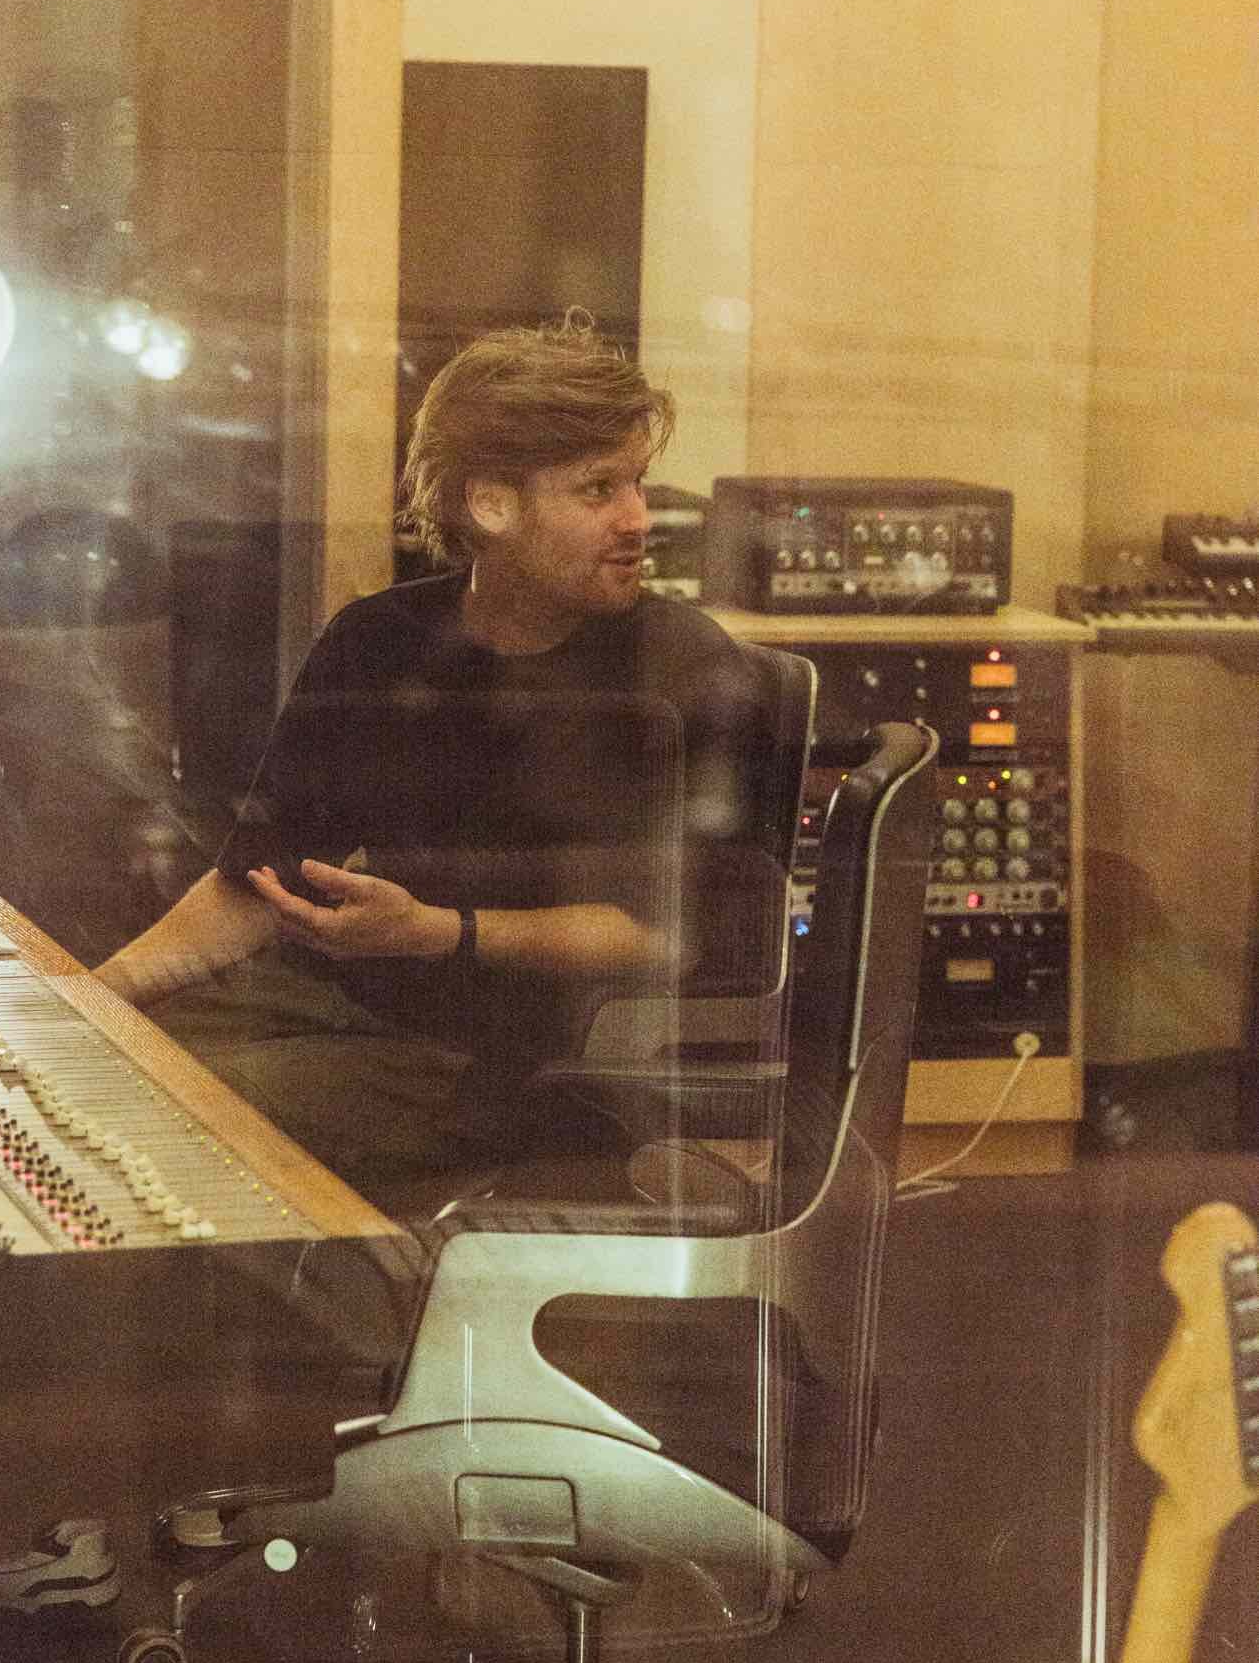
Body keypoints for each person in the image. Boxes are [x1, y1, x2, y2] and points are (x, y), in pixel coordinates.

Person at [94, 313, 781, 1203]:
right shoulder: (378, 637)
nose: (636, 520)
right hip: (332, 1009)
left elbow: (666, 935)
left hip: (504, 1065)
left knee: (162, 1113)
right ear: (491, 505)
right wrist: (92, 997)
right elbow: (254, 885)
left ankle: (351, 1335)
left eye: (636, 484)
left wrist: (434, 931)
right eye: (597, 489)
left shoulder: (678, 670)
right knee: (86, 1064)